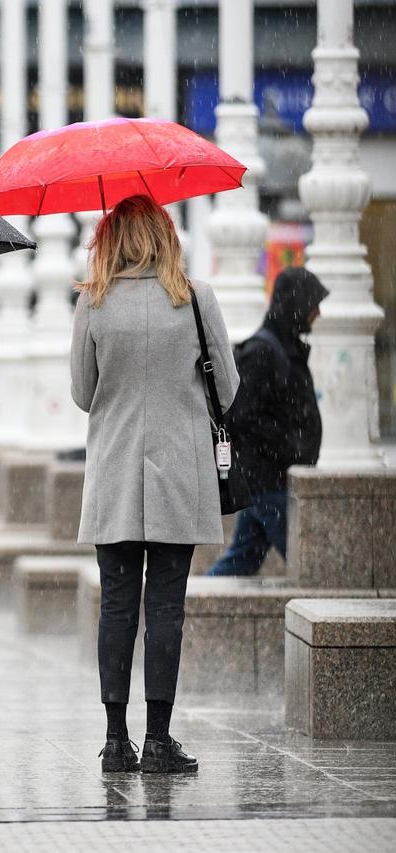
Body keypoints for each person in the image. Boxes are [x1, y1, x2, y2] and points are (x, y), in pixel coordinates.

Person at [70, 195, 239, 775]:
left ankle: (117, 741)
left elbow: (81, 393)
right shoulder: (195, 299)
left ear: (111, 240)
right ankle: (160, 739)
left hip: (116, 474)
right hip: (179, 475)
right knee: (166, 607)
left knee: (116, 608)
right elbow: (230, 387)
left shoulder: (92, 304)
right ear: (167, 236)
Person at [208, 267, 328, 576]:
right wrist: (290, 446)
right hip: (268, 481)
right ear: (296, 304)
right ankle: (183, 613)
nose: (318, 311)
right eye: (313, 302)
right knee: (314, 569)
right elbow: (242, 418)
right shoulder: (263, 352)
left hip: (270, 480)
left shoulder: (282, 348)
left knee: (242, 559)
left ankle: (189, 611)